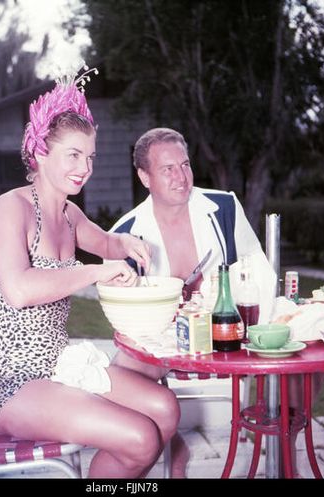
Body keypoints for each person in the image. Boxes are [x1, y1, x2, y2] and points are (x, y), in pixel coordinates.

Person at [0, 72, 181, 479]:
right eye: (73, 155)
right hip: (9, 378)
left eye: (90, 157)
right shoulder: (8, 209)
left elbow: (106, 243)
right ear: (40, 153)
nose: (85, 168)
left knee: (165, 409)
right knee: (140, 436)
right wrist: (97, 271)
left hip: (58, 362)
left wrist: (127, 244)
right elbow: (18, 290)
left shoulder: (69, 214)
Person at [109, 127, 277, 477]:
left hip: (228, 332)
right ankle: (168, 443)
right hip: (164, 342)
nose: (181, 177)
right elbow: (126, 317)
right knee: (116, 382)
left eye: (185, 165)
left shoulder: (224, 207)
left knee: (297, 359)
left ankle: (284, 456)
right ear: (144, 176)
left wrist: (233, 302)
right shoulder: (125, 234)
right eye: (167, 169)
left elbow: (258, 268)